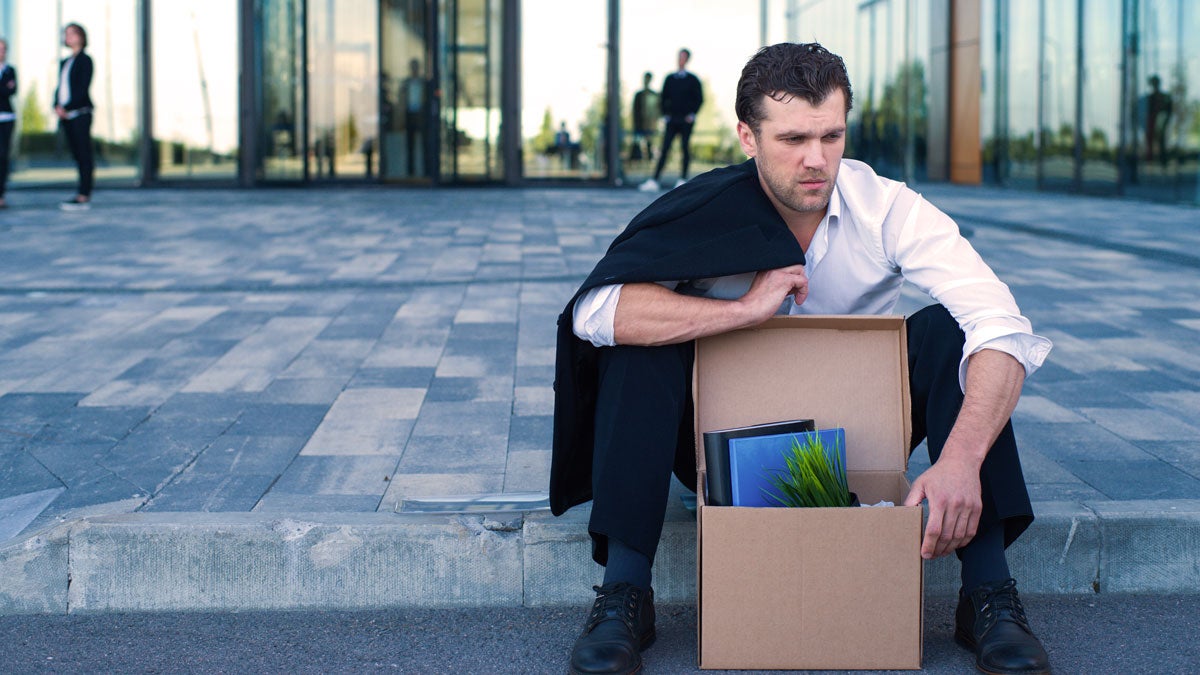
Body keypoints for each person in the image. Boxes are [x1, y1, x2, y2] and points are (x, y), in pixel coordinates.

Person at [554, 43, 1053, 675]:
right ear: (747, 136)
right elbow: (594, 313)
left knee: (957, 332)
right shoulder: (703, 207)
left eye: (831, 136)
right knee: (643, 341)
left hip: (856, 440)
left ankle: (988, 594)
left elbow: (1003, 327)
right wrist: (742, 310)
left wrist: (959, 461)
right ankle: (626, 592)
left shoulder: (888, 209)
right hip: (717, 443)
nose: (816, 161)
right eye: (792, 139)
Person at [639, 48, 702, 192]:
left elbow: (699, 99)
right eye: (679, 57)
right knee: (665, 148)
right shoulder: (670, 79)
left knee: (685, 149)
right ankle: (654, 180)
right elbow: (663, 98)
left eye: (683, 57)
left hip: (685, 121)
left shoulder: (693, 80)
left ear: (687, 60)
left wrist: (692, 115)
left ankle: (682, 179)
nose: (681, 60)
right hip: (672, 121)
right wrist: (665, 115)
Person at [54, 22, 93, 211]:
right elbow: (60, 88)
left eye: (72, 33)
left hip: (80, 113)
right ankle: (80, 192)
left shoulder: (85, 60)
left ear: (81, 36)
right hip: (66, 116)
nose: (68, 37)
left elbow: (81, 89)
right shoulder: (65, 62)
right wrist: (57, 105)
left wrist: (66, 106)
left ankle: (84, 194)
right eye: (66, 33)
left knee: (84, 154)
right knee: (77, 155)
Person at [0, 38, 17, 209]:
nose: (1, 52)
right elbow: (6, 89)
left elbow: (12, 90)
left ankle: (1, 194)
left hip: (6, 118)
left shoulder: (10, 70)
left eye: (4, 49)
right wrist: (4, 87)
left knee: (3, 156)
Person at [629, 71, 658, 163]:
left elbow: (656, 110)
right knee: (637, 143)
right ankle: (636, 159)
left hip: (649, 124)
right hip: (639, 124)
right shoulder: (639, 95)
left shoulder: (653, 95)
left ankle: (648, 159)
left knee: (649, 143)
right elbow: (635, 110)